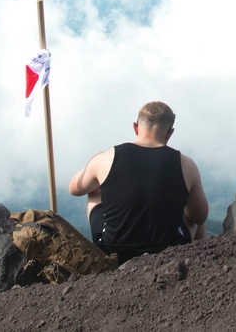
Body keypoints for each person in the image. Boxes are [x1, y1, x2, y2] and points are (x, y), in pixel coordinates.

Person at [69, 101, 209, 264]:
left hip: (115, 251)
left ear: (136, 127)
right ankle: (200, 262)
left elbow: (75, 189)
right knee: (195, 208)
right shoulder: (186, 164)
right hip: (170, 250)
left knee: (93, 192)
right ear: (170, 133)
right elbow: (200, 216)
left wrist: (95, 167)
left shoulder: (106, 157)